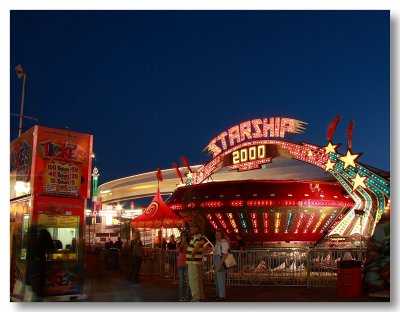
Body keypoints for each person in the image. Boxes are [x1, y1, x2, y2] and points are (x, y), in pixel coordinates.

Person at [186, 223, 205, 302]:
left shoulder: (196, 237)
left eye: (192, 228)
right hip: (196, 261)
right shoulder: (200, 237)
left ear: (196, 229)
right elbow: (201, 248)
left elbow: (197, 245)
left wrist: (192, 254)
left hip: (193, 261)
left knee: (193, 280)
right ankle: (200, 296)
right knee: (198, 280)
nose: (191, 230)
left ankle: (196, 297)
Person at [212, 229, 230, 301]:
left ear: (222, 235)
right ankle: (218, 294)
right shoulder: (218, 242)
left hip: (220, 261)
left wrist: (220, 264)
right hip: (217, 261)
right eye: (216, 234)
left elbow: (225, 254)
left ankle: (221, 296)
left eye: (218, 234)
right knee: (217, 279)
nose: (216, 236)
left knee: (220, 279)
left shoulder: (223, 243)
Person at [177, 231, 191, 301]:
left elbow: (190, 251)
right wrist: (182, 244)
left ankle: (187, 296)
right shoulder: (179, 243)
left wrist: (185, 244)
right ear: (181, 236)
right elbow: (178, 251)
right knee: (181, 281)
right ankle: (181, 296)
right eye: (183, 235)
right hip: (180, 264)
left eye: (185, 235)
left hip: (187, 264)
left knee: (188, 281)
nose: (184, 237)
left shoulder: (188, 243)